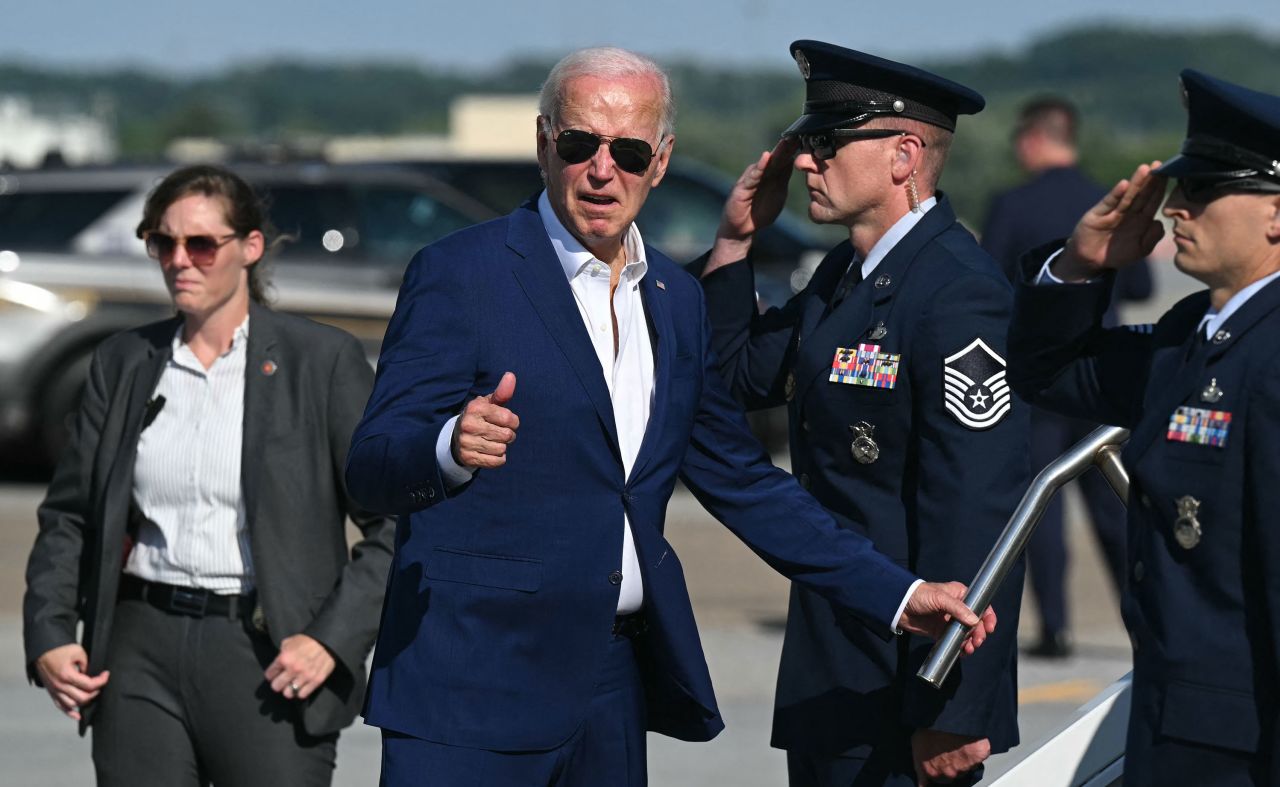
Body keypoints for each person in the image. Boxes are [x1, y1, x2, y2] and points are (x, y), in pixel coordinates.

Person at [345, 46, 996, 787]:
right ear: (541, 144)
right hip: (471, 692)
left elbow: (744, 480)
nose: (601, 169)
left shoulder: (675, 301)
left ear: (660, 161)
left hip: (611, 688)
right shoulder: (460, 273)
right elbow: (369, 466)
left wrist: (900, 594)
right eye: (578, 143)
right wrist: (447, 447)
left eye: (627, 150)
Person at [698, 41, 1029, 786]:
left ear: (904, 154)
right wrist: (734, 240)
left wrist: (952, 706)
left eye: (828, 142)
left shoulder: (956, 291)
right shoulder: (846, 274)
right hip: (834, 661)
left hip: (904, 680)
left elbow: (978, 512)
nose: (807, 162)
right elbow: (739, 377)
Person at [23, 164, 395, 786]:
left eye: (200, 244)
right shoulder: (124, 362)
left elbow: (393, 524)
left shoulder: (320, 362)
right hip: (139, 646)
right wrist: (50, 631)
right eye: (161, 242)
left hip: (267, 649)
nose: (179, 260)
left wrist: (330, 639)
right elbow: (70, 515)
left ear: (250, 248)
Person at [1006, 69, 1280, 785]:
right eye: (1180, 187)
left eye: (1204, 190)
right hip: (1173, 724)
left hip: (1245, 744)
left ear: (1278, 215)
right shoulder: (1194, 331)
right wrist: (1079, 265)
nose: (1177, 209)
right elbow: (1047, 372)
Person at [982, 96, 1154, 659]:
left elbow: (994, 285)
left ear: (1032, 139)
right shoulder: (1105, 200)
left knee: (1043, 504)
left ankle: (1054, 627)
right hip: (1105, 375)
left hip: (1042, 374)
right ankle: (1146, 624)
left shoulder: (1012, 204)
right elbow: (1141, 289)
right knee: (1116, 506)